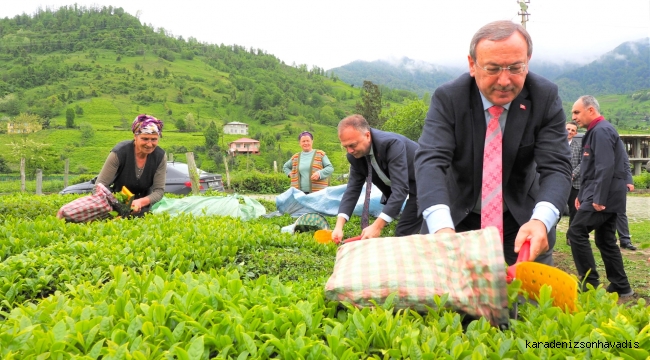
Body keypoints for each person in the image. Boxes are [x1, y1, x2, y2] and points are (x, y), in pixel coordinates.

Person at [414, 20, 572, 265]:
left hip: (522, 221)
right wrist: (442, 229)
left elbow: (557, 167)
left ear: (528, 62)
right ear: (472, 65)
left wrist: (541, 221)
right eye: (493, 68)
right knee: (447, 299)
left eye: (515, 67)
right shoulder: (449, 98)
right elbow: (430, 162)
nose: (504, 80)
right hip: (457, 218)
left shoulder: (544, 96)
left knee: (531, 299)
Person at [567, 95, 633, 296]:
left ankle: (590, 284)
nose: (574, 117)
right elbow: (592, 167)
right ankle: (621, 286)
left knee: (576, 232)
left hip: (604, 197)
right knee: (605, 240)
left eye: (577, 112)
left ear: (591, 110)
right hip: (604, 195)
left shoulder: (601, 131)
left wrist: (598, 199)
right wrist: (584, 195)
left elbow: (605, 167)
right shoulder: (598, 131)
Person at [331, 115, 422, 242]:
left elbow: (400, 188)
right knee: (404, 233)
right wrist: (338, 226)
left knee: (408, 232)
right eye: (345, 146)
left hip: (432, 182)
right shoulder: (355, 156)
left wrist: (377, 226)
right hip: (414, 187)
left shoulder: (391, 144)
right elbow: (352, 190)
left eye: (352, 145)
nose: (349, 151)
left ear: (367, 135)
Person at [95, 114, 167, 215]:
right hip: (114, 206)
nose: (150, 144)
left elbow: (159, 191)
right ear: (135, 136)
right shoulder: (119, 153)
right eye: (145, 139)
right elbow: (99, 186)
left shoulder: (160, 156)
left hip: (143, 209)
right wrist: (118, 204)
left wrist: (140, 202)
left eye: (154, 139)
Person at [566, 121, 582, 246]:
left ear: (575, 133)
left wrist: (573, 175)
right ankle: (550, 236)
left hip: (574, 183)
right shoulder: (555, 144)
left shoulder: (579, 146)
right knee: (555, 211)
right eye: (568, 129)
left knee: (574, 211)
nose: (570, 132)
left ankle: (570, 237)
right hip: (558, 183)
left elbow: (584, 163)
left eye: (572, 130)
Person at [617, 150, 637, 250]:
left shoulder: (617, 142)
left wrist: (629, 181)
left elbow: (625, 163)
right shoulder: (596, 141)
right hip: (600, 183)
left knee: (620, 212)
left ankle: (625, 240)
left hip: (618, 183)